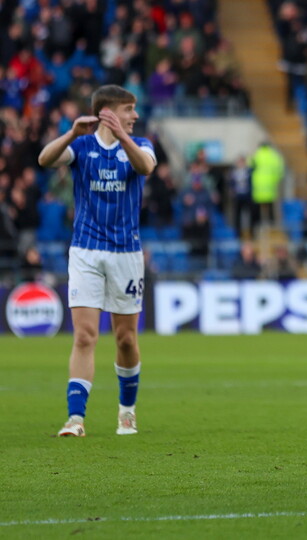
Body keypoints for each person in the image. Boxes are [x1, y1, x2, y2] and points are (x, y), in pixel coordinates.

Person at [37, 84, 157, 437]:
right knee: (86, 335)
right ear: (107, 111)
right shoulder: (83, 147)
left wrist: (123, 137)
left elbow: (146, 167)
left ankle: (127, 410)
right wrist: (72, 132)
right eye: (128, 109)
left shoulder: (141, 145)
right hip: (86, 252)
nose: (134, 115)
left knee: (125, 340)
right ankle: (76, 418)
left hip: (126, 253)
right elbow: (44, 160)